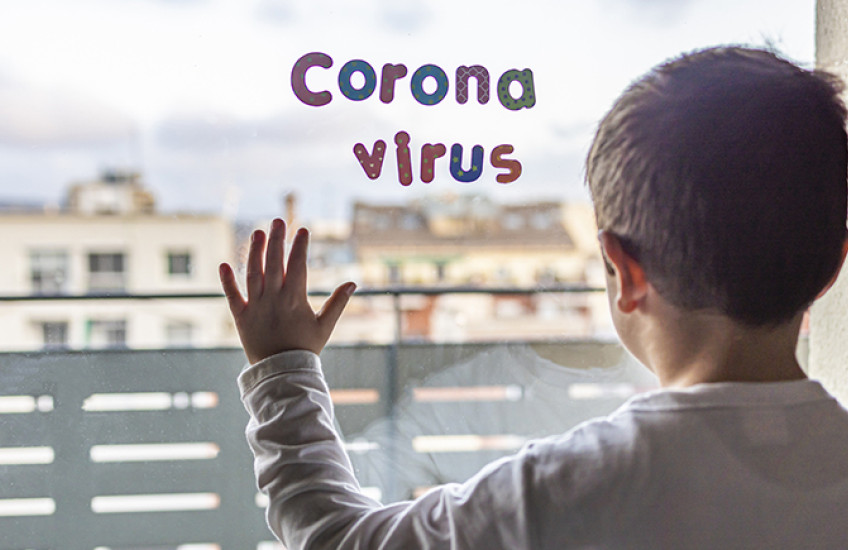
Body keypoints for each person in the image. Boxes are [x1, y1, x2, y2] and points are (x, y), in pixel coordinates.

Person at [219, 46, 848, 549]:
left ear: (622, 272)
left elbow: (335, 536)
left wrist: (283, 367)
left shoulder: (565, 489)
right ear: (831, 270)